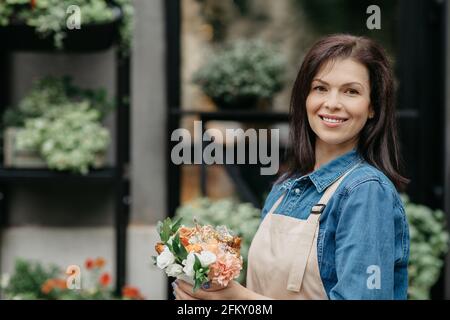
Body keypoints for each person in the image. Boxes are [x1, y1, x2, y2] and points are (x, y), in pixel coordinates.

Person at [173, 34, 410, 300]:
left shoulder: (365, 192)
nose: (331, 103)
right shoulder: (287, 186)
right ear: (305, 97)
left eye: (351, 91)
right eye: (320, 88)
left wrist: (237, 298)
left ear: (372, 108)